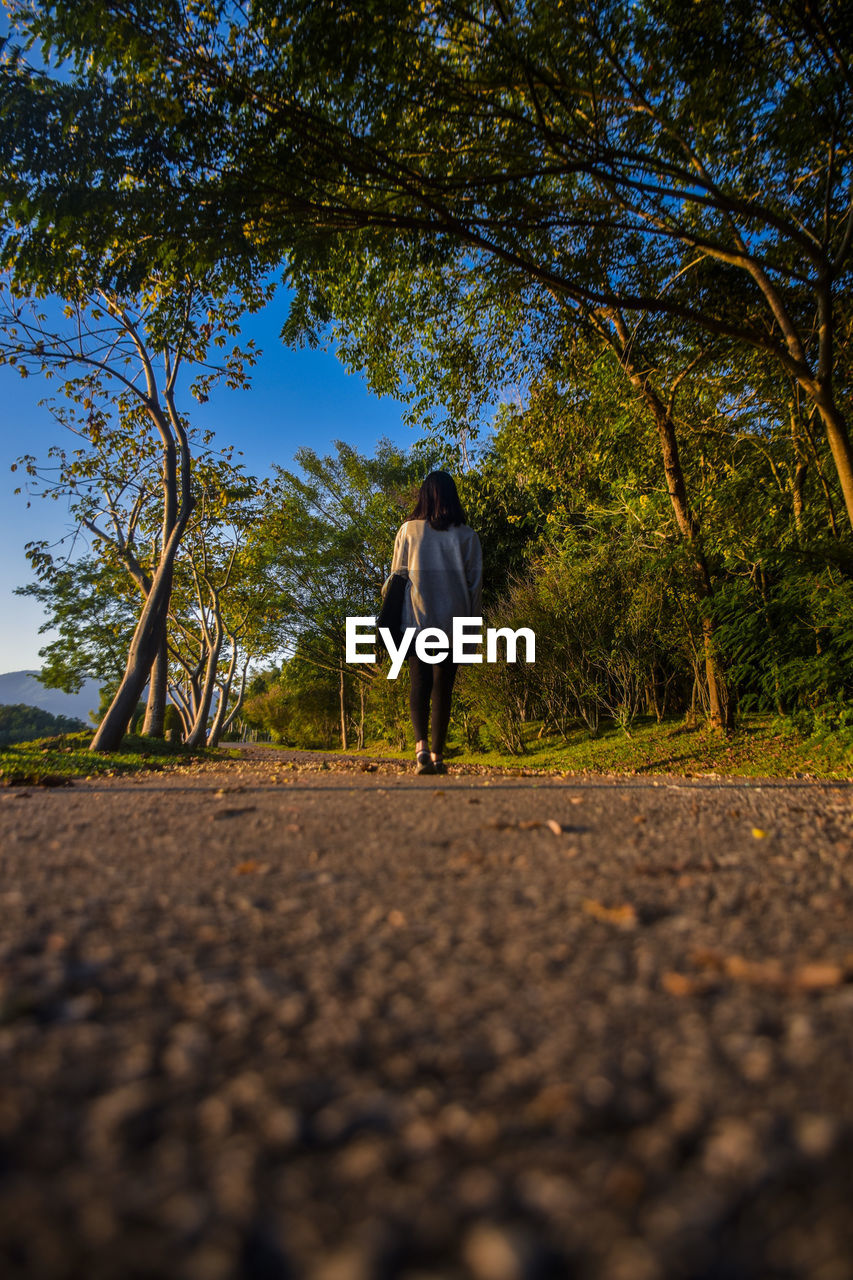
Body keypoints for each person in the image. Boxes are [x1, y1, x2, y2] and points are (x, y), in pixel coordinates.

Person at [388, 470, 482, 774]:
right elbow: (474, 585)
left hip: (416, 617)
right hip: (454, 621)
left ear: (424, 496)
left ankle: (420, 748)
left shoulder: (408, 531)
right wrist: (473, 629)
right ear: (452, 497)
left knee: (419, 683)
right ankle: (439, 756)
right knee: (444, 687)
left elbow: (396, 576)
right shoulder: (468, 536)